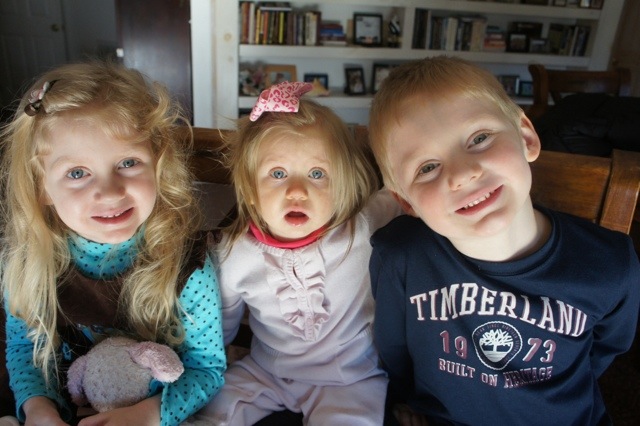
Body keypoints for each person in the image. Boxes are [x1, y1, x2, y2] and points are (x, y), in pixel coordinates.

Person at [367, 55, 640, 426]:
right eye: (427, 167)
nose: (463, 174)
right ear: (406, 203)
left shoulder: (610, 263)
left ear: (526, 136)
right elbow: (395, 352)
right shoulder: (400, 255)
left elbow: (603, 352)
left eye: (479, 139)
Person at [0, 61, 226, 425]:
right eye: (77, 173)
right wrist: (39, 408)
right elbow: (25, 350)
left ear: (157, 164)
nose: (109, 192)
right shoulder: (29, 262)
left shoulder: (186, 264)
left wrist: (147, 416)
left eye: (128, 162)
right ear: (42, 187)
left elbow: (207, 368)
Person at [191, 81, 401, 425]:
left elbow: (403, 191)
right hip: (266, 371)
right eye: (278, 174)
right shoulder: (233, 253)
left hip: (350, 378)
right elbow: (220, 327)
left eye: (317, 174)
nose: (297, 191)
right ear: (251, 189)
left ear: (340, 185)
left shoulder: (362, 230)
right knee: (208, 413)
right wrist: (209, 364)